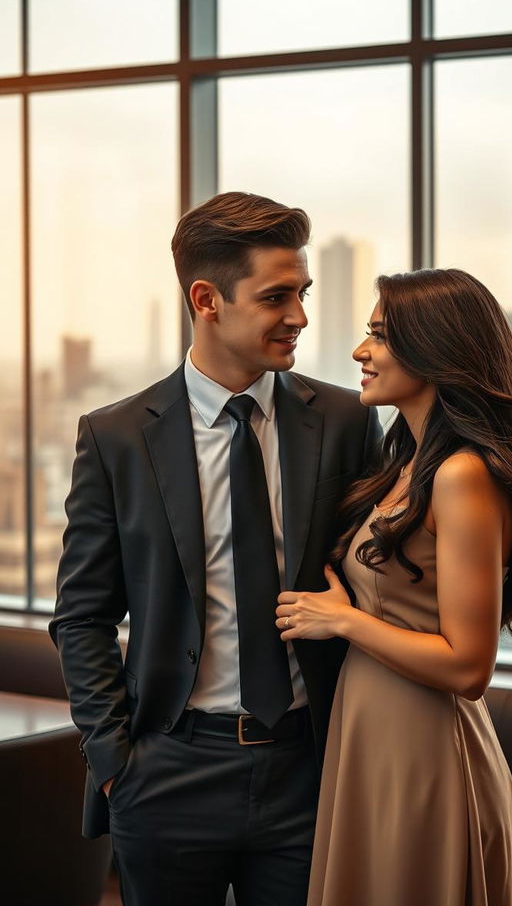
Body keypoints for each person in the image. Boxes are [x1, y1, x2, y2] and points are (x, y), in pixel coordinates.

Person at [50, 191, 381, 906]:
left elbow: (381, 583)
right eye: (276, 296)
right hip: (167, 772)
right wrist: (118, 766)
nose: (298, 315)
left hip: (310, 768)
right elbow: (81, 615)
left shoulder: (348, 423)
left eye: (303, 293)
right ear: (207, 299)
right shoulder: (116, 438)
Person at [276, 268, 512, 906]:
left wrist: (344, 621)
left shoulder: (462, 475)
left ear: (435, 349)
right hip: (373, 736)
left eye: (379, 336)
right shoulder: (407, 463)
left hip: (423, 750)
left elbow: (469, 666)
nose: (361, 352)